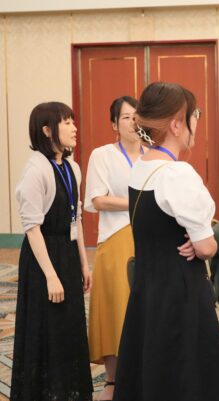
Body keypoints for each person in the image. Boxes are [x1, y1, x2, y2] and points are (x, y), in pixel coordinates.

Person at [112, 82, 219, 401]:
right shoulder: (177, 174)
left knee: (155, 369)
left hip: (148, 289)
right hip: (181, 291)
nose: (197, 122)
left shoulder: (140, 167)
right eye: (195, 115)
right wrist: (203, 243)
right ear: (177, 124)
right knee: (185, 374)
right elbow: (206, 247)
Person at [11, 102, 93, 401]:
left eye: (73, 121)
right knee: (46, 327)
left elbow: (77, 218)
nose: (74, 128)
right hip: (43, 257)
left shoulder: (72, 168)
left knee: (69, 326)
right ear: (47, 131)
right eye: (66, 122)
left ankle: (68, 392)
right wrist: (50, 276)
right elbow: (32, 228)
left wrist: (84, 264)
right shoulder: (35, 170)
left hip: (67, 252)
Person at [85, 96, 141, 401]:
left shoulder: (152, 154)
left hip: (148, 239)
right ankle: (113, 381)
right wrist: (138, 201)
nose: (133, 122)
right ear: (114, 125)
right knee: (116, 308)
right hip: (116, 239)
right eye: (126, 117)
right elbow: (98, 199)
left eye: (137, 116)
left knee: (144, 308)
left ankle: (144, 375)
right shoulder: (103, 155)